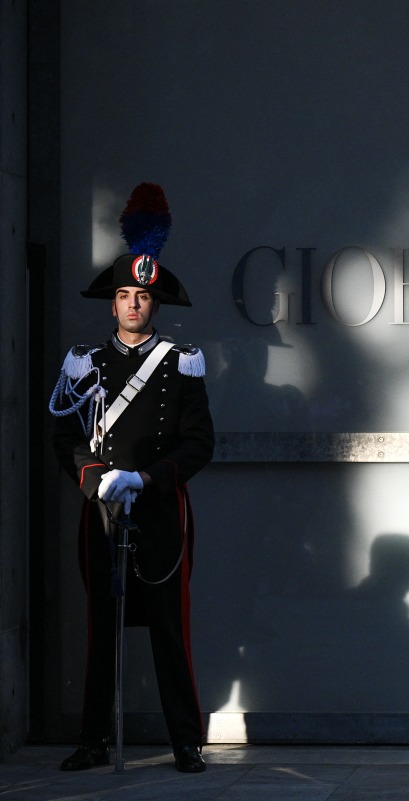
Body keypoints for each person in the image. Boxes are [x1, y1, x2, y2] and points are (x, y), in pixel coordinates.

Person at [48, 183, 213, 773]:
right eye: (123, 295)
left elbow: (200, 443)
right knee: (103, 629)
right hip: (102, 509)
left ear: (155, 302)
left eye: (141, 295)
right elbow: (64, 438)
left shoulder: (181, 362)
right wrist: (97, 479)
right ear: (111, 304)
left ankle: (185, 741)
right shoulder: (83, 363)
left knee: (171, 627)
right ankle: (94, 740)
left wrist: (147, 479)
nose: (133, 304)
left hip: (161, 510)